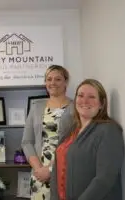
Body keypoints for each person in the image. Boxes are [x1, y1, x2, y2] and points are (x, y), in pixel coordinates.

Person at [50, 79, 125, 200]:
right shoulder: (70, 130)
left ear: (102, 103)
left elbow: (105, 179)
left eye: (91, 97)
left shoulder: (109, 130)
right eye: (80, 95)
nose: (84, 101)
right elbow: (56, 170)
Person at [21, 65, 75, 200]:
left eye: (58, 79)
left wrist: (50, 169)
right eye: (49, 79)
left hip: (64, 171)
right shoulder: (36, 107)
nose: (53, 83)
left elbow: (75, 142)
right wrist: (39, 169)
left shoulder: (76, 108)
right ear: (45, 82)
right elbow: (27, 141)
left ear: (66, 82)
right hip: (39, 174)